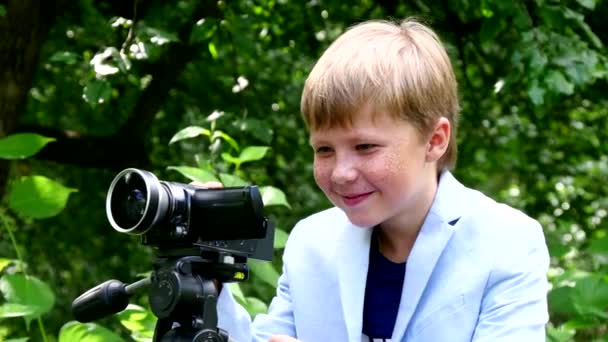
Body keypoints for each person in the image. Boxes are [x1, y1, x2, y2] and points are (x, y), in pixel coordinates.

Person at [210, 17, 550, 342]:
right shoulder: (311, 243)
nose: (342, 172)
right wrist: (211, 288)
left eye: (366, 146)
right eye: (324, 149)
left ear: (434, 140)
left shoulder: (506, 241)